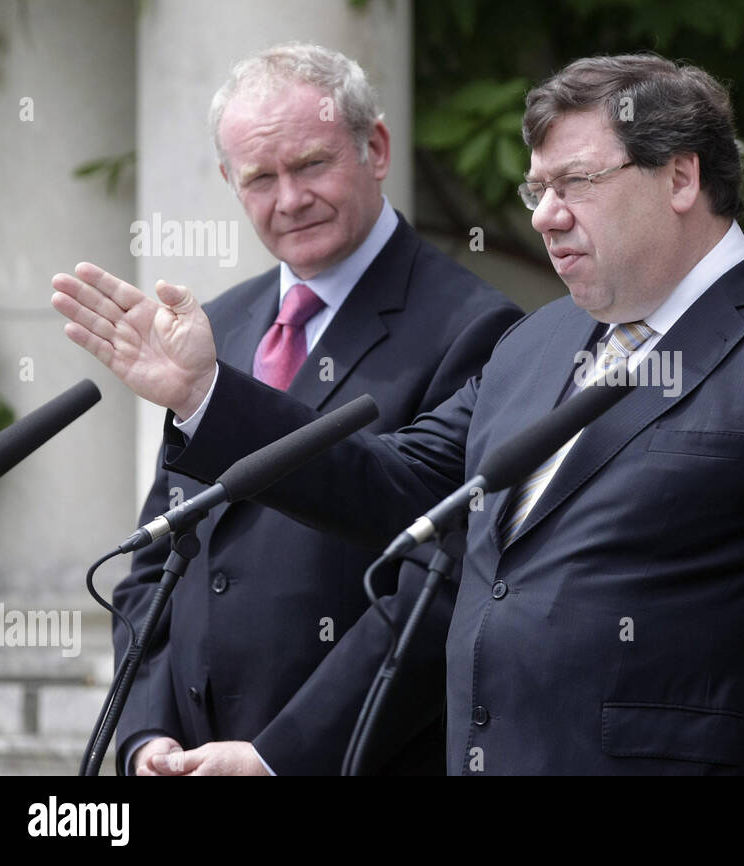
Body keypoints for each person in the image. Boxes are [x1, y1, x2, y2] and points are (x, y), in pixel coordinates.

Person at [53, 53, 744, 774]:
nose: (544, 215)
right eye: (536, 188)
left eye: (576, 182)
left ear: (681, 176)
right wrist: (207, 397)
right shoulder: (539, 343)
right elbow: (397, 486)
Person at [73, 43, 521, 775]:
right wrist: (145, 737)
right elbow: (161, 560)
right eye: (259, 178)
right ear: (229, 181)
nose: (289, 199)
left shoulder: (478, 328)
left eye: (312, 164)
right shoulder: (219, 323)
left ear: (374, 148)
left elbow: (437, 587)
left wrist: (277, 757)